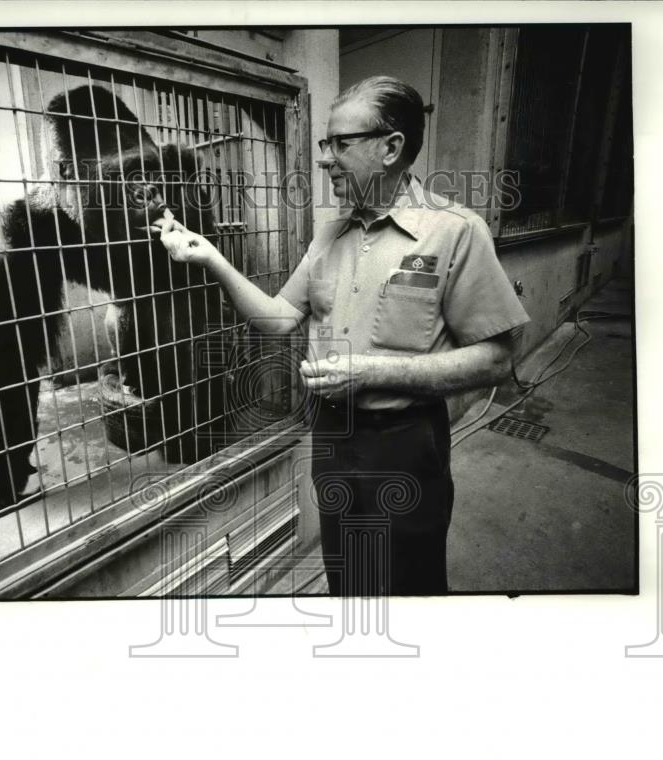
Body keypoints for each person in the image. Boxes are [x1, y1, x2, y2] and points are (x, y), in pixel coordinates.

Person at [158, 76, 530, 597]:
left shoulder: (454, 231)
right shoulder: (329, 235)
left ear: (391, 147)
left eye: (341, 143)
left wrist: (372, 371)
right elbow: (275, 320)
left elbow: (495, 360)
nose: (326, 158)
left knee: (409, 584)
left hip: (404, 440)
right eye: (324, 144)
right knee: (349, 577)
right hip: (333, 435)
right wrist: (210, 257)